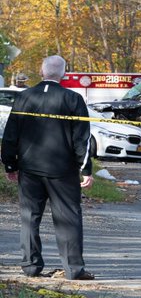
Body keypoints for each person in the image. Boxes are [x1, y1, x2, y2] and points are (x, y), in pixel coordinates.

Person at [1, 55, 95, 280]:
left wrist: (10, 164)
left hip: (29, 168)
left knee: (29, 217)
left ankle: (31, 266)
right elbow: (82, 138)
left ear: (41, 72)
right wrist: (86, 169)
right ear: (63, 74)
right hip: (62, 171)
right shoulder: (73, 99)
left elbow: (11, 134)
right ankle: (73, 269)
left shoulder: (24, 97)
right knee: (68, 218)